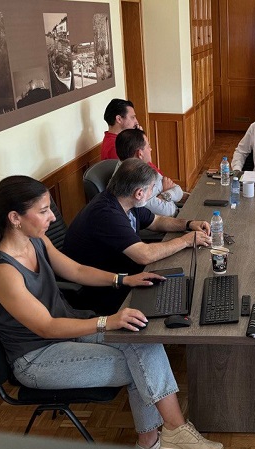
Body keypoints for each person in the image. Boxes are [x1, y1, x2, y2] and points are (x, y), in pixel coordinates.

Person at [0, 175, 223, 449]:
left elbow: (76, 270)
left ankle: (159, 440)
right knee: (141, 366)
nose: (52, 217)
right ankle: (163, 437)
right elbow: (46, 327)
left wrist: (123, 279)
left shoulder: (36, 241)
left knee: (143, 340)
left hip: (70, 329)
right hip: (37, 358)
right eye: (43, 211)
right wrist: (107, 321)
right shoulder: (1, 272)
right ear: (15, 218)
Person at [63, 158, 211, 315]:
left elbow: (156, 221)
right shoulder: (107, 214)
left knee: (186, 283)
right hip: (101, 290)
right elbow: (144, 255)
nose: (153, 192)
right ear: (139, 193)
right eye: (152, 188)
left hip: (123, 271)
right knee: (182, 298)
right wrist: (185, 241)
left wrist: (188, 224)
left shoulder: (125, 199)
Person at [101, 99, 186, 212]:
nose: (136, 122)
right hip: (160, 202)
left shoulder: (125, 145)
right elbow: (166, 211)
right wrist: (166, 193)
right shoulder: (116, 148)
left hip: (161, 188)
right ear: (119, 119)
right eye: (132, 117)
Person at [115, 128, 183, 217]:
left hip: (176, 211)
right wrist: (168, 193)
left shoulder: (143, 166)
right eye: (148, 146)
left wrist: (164, 195)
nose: (151, 149)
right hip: (168, 221)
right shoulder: (136, 181)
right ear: (140, 154)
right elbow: (169, 212)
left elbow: (179, 190)